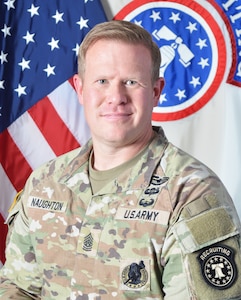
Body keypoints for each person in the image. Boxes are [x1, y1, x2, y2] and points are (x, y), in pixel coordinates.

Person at [0, 20, 241, 300]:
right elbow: (19, 288)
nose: (116, 97)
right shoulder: (45, 183)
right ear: (79, 89)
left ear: (155, 91)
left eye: (131, 82)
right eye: (102, 81)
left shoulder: (192, 194)